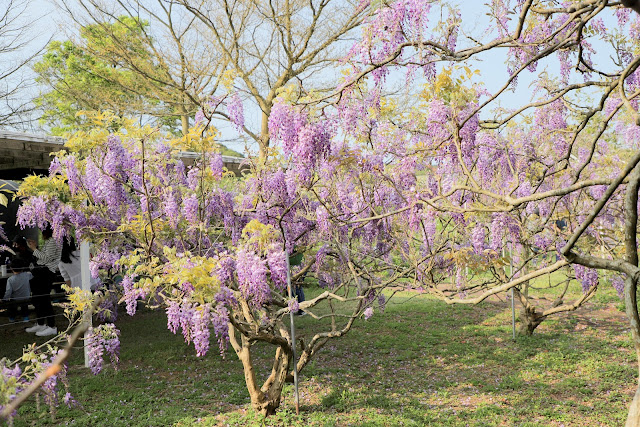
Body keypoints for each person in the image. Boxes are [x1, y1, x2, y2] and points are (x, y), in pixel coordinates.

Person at [25, 226, 61, 337]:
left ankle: (51, 326)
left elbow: (46, 259)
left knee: (44, 300)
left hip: (46, 273)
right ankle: (41, 323)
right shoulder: (49, 241)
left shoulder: (53, 242)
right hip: (41, 273)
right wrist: (35, 248)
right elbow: (44, 257)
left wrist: (34, 249)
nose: (41, 233)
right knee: (37, 299)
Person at [2, 256, 32, 323]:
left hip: (16, 299)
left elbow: (8, 292)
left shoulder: (10, 279)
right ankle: (25, 318)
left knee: (12, 306)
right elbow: (32, 274)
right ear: (22, 268)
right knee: (25, 306)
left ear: (11, 268)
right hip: (26, 297)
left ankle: (12, 318)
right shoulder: (27, 275)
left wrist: (5, 299)